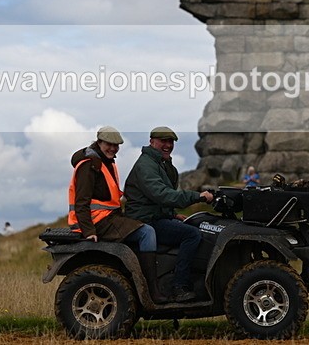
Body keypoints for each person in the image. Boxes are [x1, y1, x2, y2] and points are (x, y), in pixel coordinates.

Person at [69, 125, 168, 304]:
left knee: (143, 227)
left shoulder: (106, 162)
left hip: (109, 219)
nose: (113, 148)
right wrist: (89, 231)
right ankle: (152, 291)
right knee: (147, 232)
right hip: (98, 222)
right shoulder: (90, 165)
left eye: (116, 145)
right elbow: (81, 202)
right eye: (109, 144)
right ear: (99, 142)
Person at [124, 126, 214, 302]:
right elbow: (161, 194)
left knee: (194, 226)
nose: (167, 145)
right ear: (152, 142)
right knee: (192, 235)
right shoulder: (146, 165)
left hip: (154, 216)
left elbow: (156, 200)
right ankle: (180, 286)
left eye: (170, 142)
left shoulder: (160, 163)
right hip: (145, 221)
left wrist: (172, 216)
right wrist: (198, 196)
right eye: (163, 141)